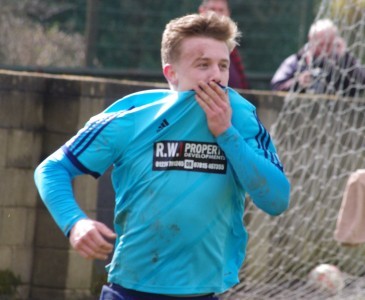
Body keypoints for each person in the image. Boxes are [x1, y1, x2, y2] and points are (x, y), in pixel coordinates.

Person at [34, 12, 290, 300]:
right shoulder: (133, 118)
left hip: (204, 293)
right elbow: (51, 169)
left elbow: (277, 200)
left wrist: (226, 133)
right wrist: (74, 222)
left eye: (223, 65)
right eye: (203, 65)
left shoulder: (243, 119)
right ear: (171, 73)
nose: (216, 75)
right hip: (130, 291)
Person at [271, 18, 365, 96]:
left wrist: (346, 56)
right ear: (310, 39)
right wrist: (298, 82)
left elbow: (362, 82)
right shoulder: (295, 61)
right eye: (321, 45)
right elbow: (275, 87)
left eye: (329, 45)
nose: (325, 50)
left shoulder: (343, 62)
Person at [199, 0, 249, 90]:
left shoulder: (230, 45)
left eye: (221, 10)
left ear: (228, 13)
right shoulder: (193, 41)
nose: (217, 14)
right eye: (212, 9)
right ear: (202, 11)